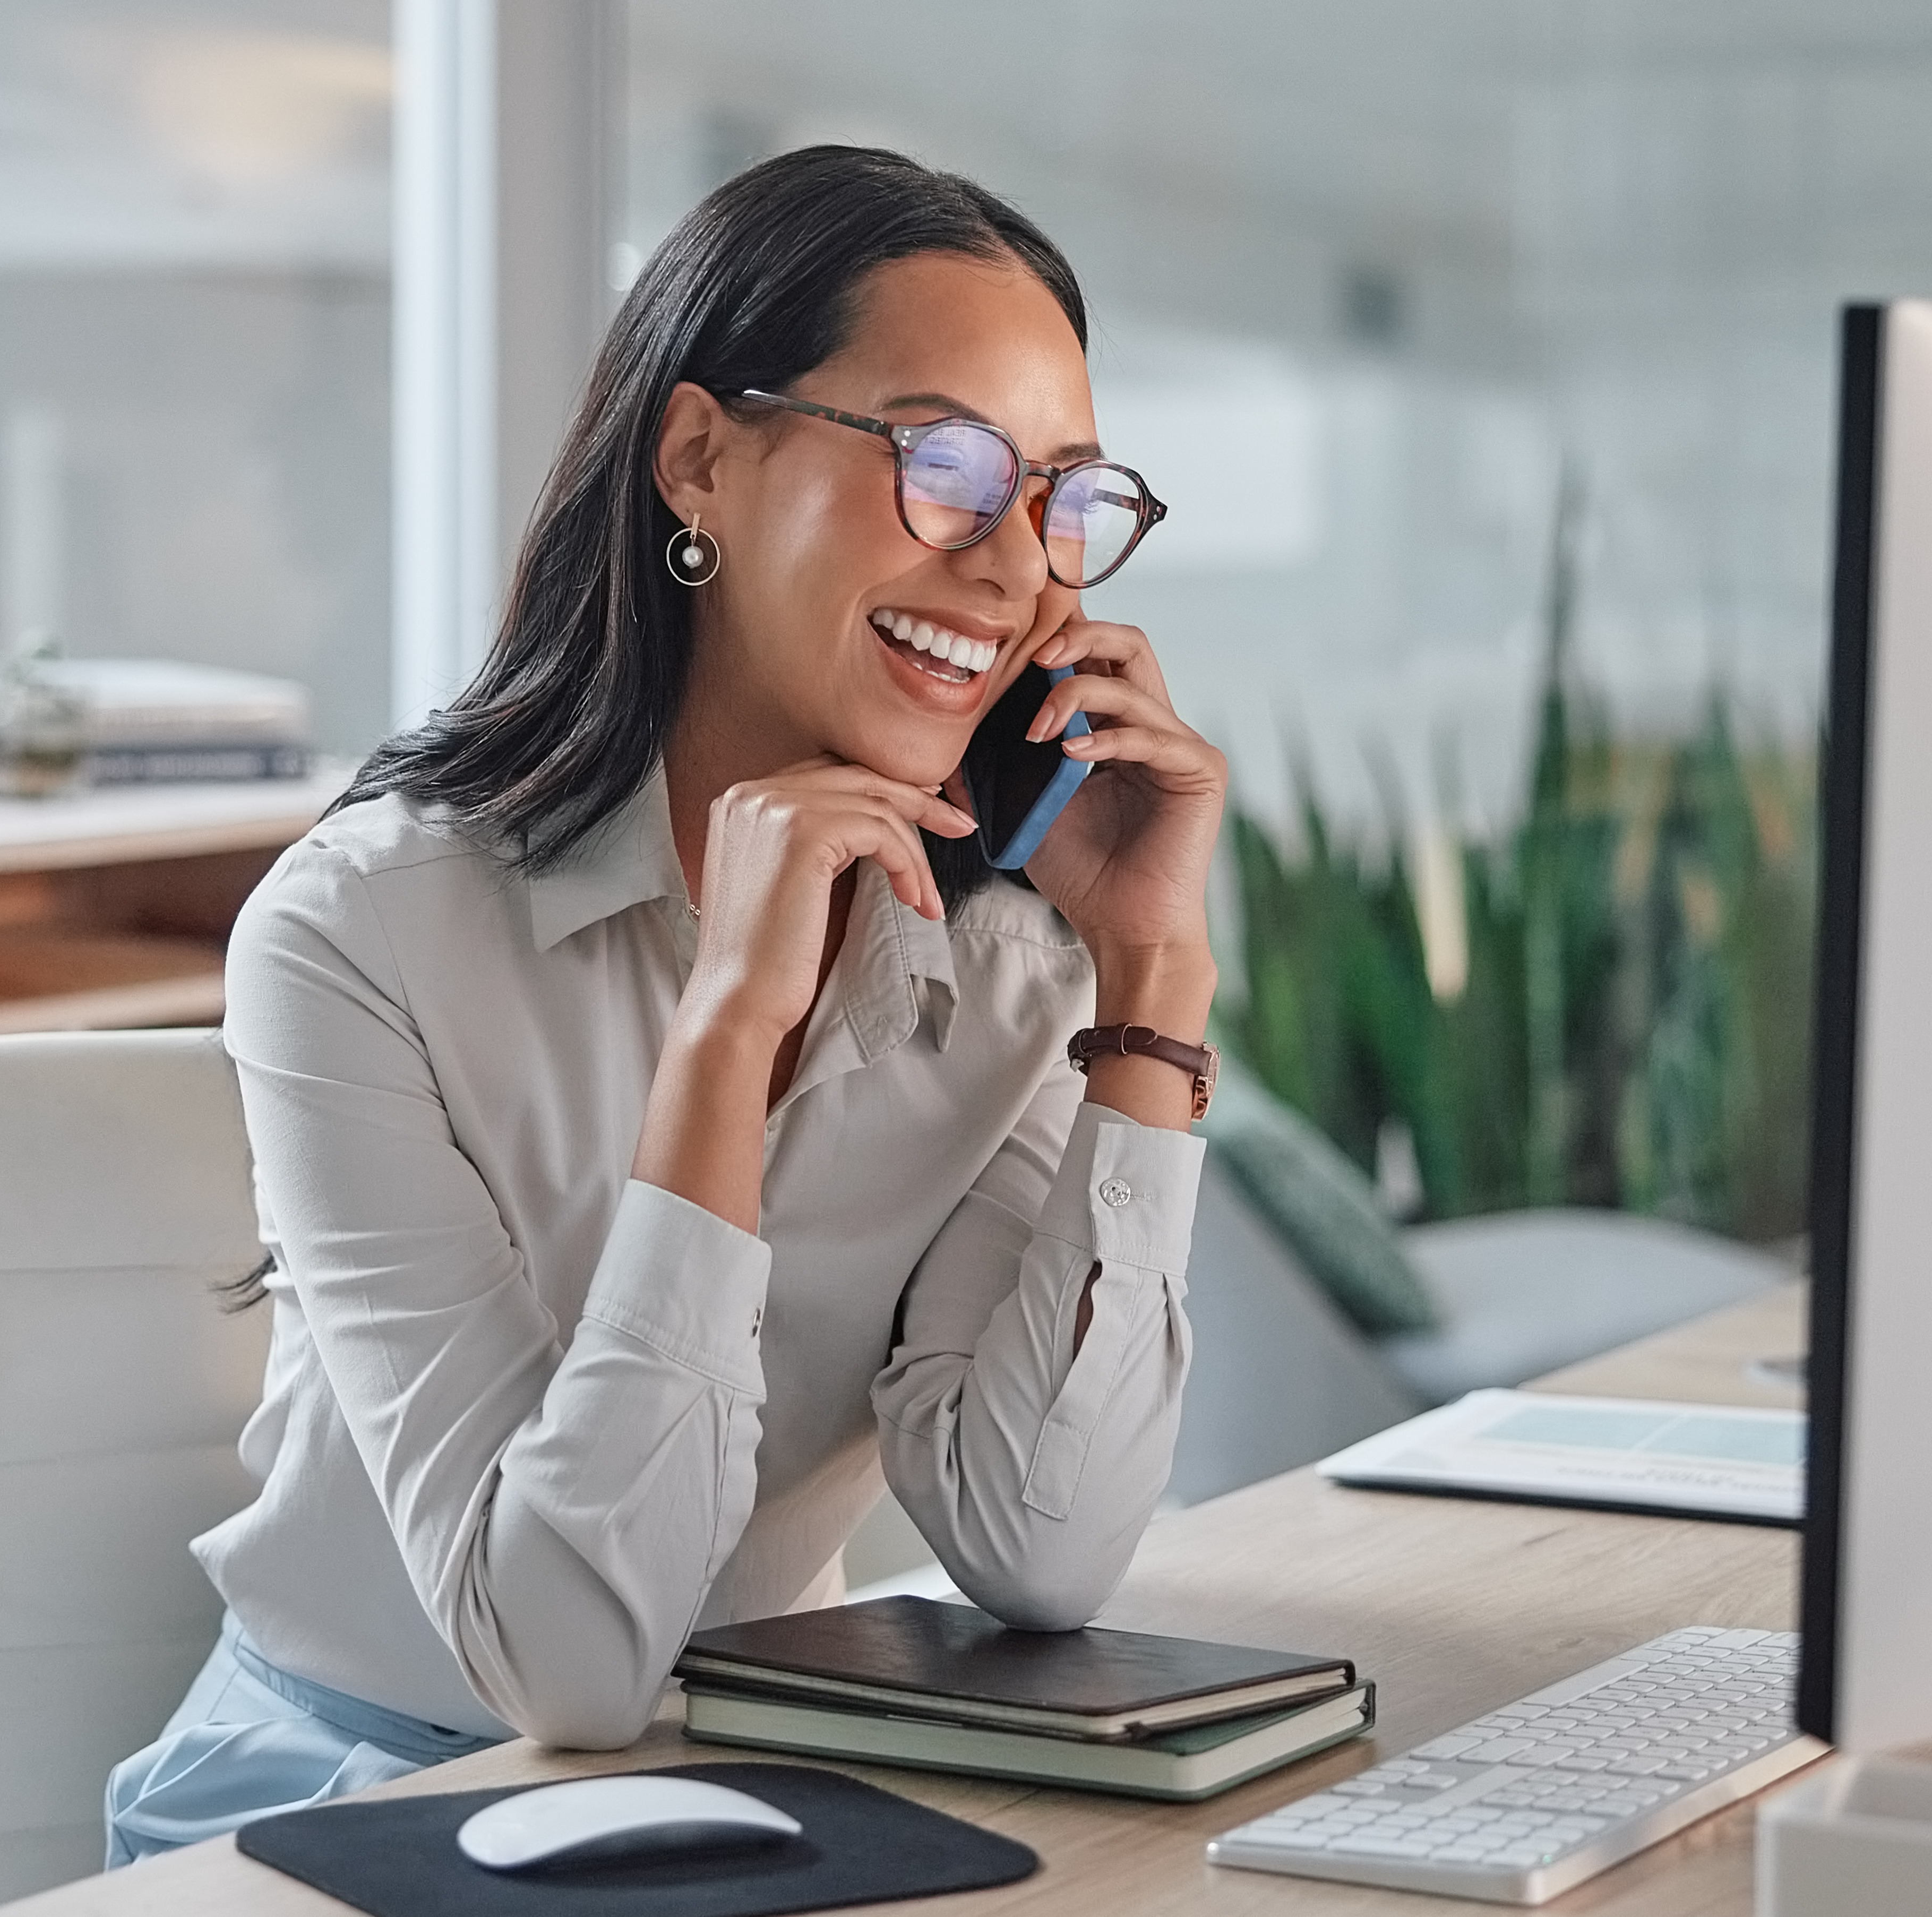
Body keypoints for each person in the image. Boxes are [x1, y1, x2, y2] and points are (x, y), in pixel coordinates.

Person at [104, 144, 1225, 1860]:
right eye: (944, 464)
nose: (1017, 571)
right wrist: (726, 1037)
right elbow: (566, 1659)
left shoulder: (1018, 967)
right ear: (700, 457)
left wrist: (1151, 980)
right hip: (346, 1794)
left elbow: (1040, 1545)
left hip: (759, 1784)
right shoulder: (360, 933)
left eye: (1066, 499)